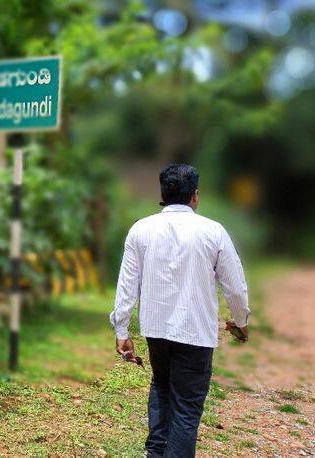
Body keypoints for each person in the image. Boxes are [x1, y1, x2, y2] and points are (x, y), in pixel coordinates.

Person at [109, 163, 250, 457]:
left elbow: (127, 285)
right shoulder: (213, 231)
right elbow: (235, 287)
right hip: (195, 333)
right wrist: (240, 321)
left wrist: (121, 330)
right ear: (195, 196)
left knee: (161, 386)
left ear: (163, 193)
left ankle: (155, 453)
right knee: (186, 408)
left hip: (156, 330)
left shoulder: (141, 229)